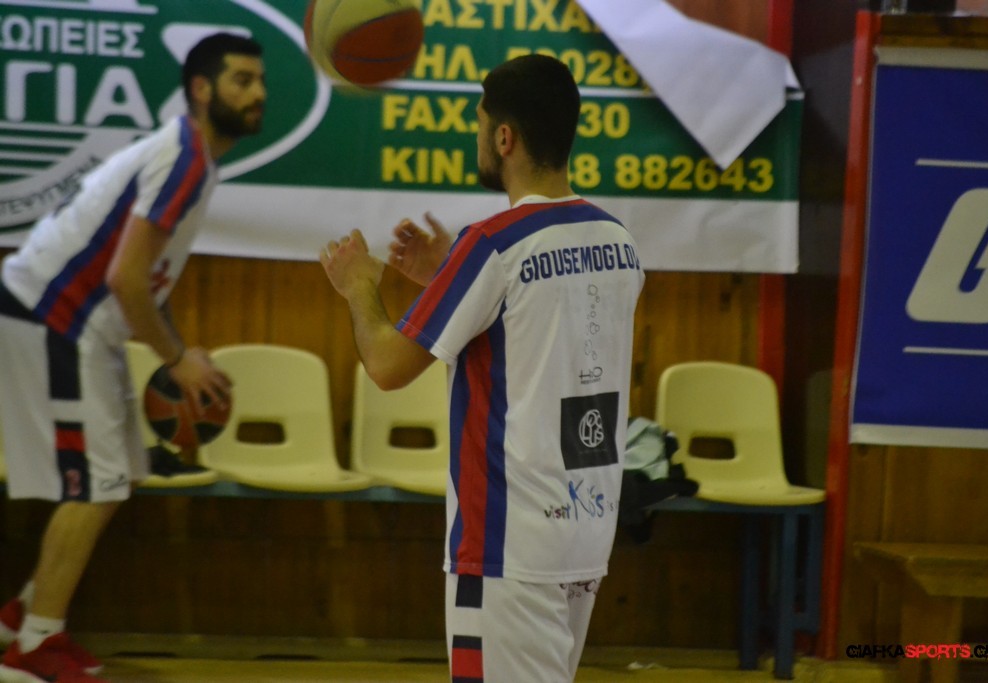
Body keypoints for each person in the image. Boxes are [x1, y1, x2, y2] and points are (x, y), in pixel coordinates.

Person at [320, 53, 645, 682]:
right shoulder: (618, 242)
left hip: (506, 546)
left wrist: (359, 287)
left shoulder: (494, 244)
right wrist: (450, 277)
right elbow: (534, 330)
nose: (477, 135)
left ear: (504, 138)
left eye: (478, 122)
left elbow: (386, 366)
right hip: (584, 533)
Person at [0, 32, 265, 682]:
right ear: (201, 89)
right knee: (95, 482)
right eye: (241, 80)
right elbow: (125, 278)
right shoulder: (183, 159)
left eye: (260, 80)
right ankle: (32, 648)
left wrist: (180, 349)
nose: (257, 92)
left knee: (121, 473)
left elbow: (139, 277)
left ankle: (24, 615)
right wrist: (176, 359)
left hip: (85, 322)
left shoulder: (192, 157)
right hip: (54, 313)